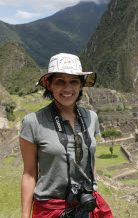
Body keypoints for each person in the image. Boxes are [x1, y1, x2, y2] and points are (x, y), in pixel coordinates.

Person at [19, 53, 99, 218]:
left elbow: (91, 160)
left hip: (86, 205)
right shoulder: (33, 122)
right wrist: (25, 216)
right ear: (49, 85)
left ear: (81, 85)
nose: (68, 88)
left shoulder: (92, 118)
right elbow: (29, 173)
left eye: (73, 81)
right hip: (52, 209)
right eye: (60, 82)